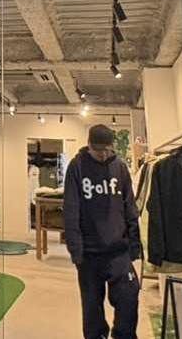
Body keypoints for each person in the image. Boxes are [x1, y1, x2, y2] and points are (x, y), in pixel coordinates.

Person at [63, 124, 142, 339]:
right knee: (92, 307)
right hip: (89, 253)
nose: (103, 154)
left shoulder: (120, 167)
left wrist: (134, 244)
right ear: (89, 145)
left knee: (129, 296)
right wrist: (76, 250)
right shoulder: (77, 167)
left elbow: (130, 206)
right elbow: (71, 210)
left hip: (118, 251)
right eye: (99, 150)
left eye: (107, 149)